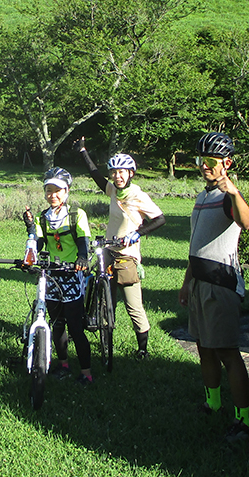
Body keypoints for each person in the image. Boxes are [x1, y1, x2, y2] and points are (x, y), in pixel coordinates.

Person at [178, 132, 249, 441]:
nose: (204, 167)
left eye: (210, 162)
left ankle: (244, 420)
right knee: (203, 347)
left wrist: (234, 191)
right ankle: (212, 403)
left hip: (220, 284)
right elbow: (195, 245)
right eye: (200, 161)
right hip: (198, 281)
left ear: (226, 163)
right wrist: (186, 282)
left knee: (226, 352)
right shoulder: (202, 196)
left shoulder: (227, 197)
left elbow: (246, 223)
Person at [75, 138, 166, 359]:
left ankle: (142, 349)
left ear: (131, 173)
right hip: (107, 252)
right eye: (114, 172)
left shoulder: (137, 195)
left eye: (122, 172)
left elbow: (160, 219)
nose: (118, 176)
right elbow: (96, 176)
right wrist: (83, 151)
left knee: (133, 304)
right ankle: (107, 337)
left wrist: (137, 234)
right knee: (106, 298)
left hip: (126, 256)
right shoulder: (114, 191)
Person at [22, 167, 94, 384]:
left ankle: (86, 372)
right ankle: (62, 364)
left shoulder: (76, 214)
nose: (52, 195)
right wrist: (30, 232)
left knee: (75, 325)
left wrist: (82, 258)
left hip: (71, 274)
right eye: (48, 191)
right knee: (57, 323)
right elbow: (39, 243)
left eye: (57, 191)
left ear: (67, 191)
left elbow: (83, 240)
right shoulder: (43, 217)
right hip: (52, 275)